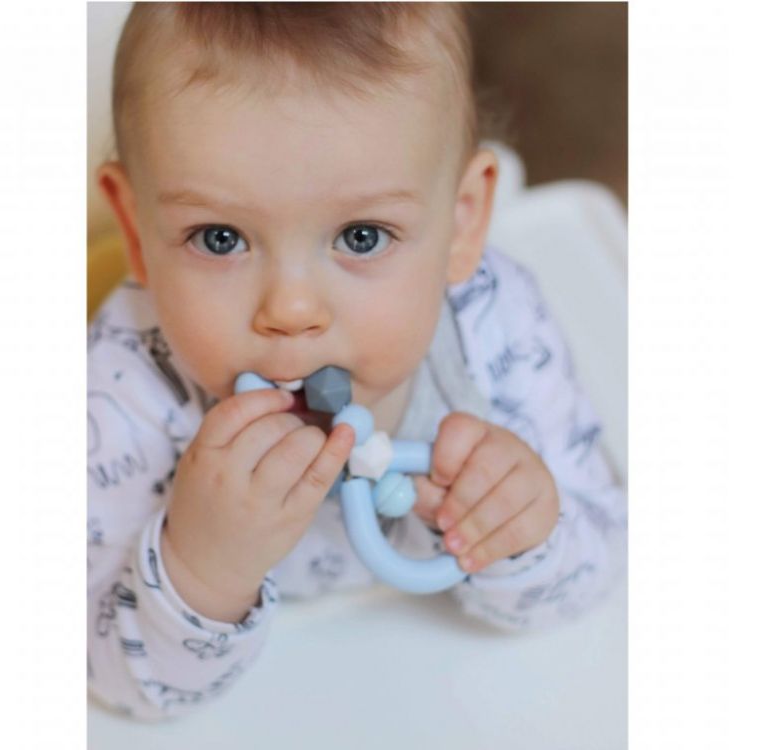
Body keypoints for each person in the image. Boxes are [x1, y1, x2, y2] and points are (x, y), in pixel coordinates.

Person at [88, 2, 626, 720]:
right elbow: (106, 679)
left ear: (462, 222)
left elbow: (600, 569)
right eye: (219, 238)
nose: (291, 308)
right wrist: (199, 570)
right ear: (136, 227)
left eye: (363, 236)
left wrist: (521, 532)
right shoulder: (124, 390)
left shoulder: (494, 330)